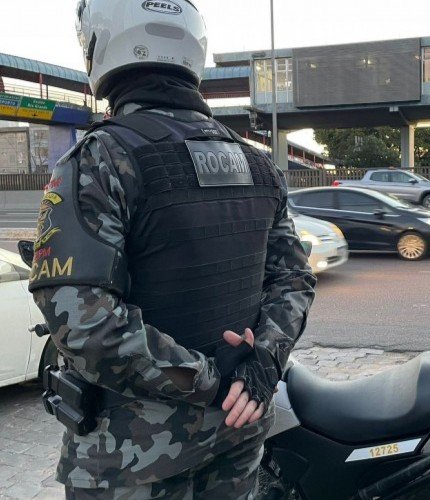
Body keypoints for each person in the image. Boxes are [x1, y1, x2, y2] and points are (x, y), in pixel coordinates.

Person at [28, 0, 316, 498]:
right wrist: (261, 367)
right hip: (239, 427)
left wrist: (206, 380)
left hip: (131, 457)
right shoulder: (258, 164)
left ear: (101, 46)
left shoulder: (101, 158)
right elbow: (293, 280)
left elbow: (82, 322)